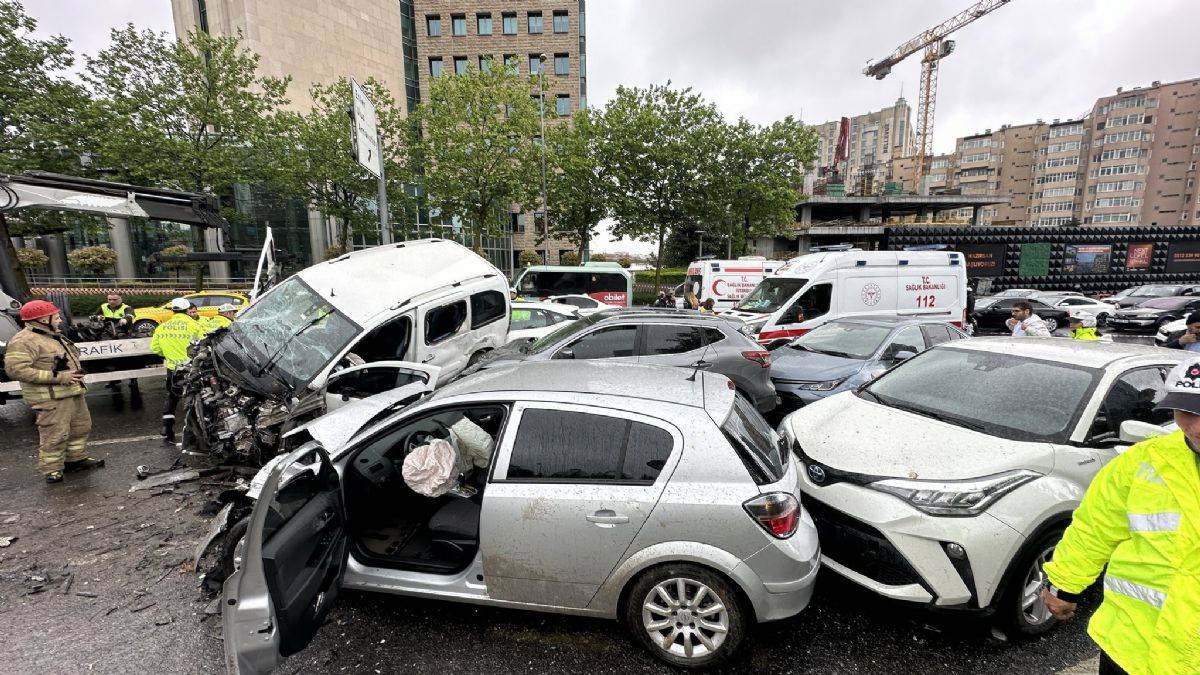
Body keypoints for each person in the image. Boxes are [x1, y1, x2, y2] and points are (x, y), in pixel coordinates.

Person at [1041, 357, 1200, 675]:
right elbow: (1095, 527)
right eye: (1188, 412)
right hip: (1130, 647)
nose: (1196, 428)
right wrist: (1064, 588)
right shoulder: (1144, 461)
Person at [5, 300, 103, 483]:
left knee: (80, 428)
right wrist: (59, 377)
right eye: (56, 316)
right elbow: (16, 370)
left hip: (71, 392)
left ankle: (76, 460)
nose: (59, 319)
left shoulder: (50, 335)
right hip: (51, 398)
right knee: (55, 434)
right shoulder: (24, 341)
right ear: (42, 319)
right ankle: (52, 469)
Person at [150, 298, 206, 442]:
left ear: (173, 310)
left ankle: (166, 428)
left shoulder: (162, 327)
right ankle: (195, 432)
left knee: (172, 396)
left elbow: (155, 348)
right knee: (195, 396)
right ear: (187, 310)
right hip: (191, 367)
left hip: (172, 368)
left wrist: (169, 355)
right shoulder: (193, 325)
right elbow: (203, 345)